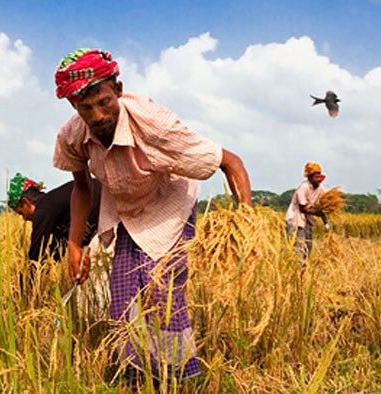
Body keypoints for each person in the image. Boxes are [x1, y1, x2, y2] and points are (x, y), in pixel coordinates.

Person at [52, 48, 252, 386]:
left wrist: (245, 220)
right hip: (126, 208)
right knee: (124, 294)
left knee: (162, 294)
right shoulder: (73, 135)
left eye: (104, 102)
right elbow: (82, 188)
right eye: (86, 109)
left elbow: (230, 161)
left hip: (169, 202)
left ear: (117, 88)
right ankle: (136, 375)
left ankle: (176, 380)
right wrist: (74, 244)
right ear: (74, 107)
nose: (98, 116)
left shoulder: (154, 125)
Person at [7, 173, 101, 262]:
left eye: (21, 213)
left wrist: (26, 277)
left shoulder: (42, 211)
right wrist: (47, 269)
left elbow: (36, 254)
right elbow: (58, 248)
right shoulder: (53, 208)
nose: (24, 218)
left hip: (103, 208)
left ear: (26, 202)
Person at [284, 162, 330, 265]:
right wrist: (318, 213)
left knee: (308, 246)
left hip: (307, 221)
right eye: (316, 177)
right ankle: (292, 269)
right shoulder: (303, 187)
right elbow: (303, 208)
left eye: (320, 177)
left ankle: (304, 269)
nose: (318, 179)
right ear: (309, 178)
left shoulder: (320, 188)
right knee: (297, 247)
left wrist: (326, 225)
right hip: (295, 220)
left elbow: (324, 207)